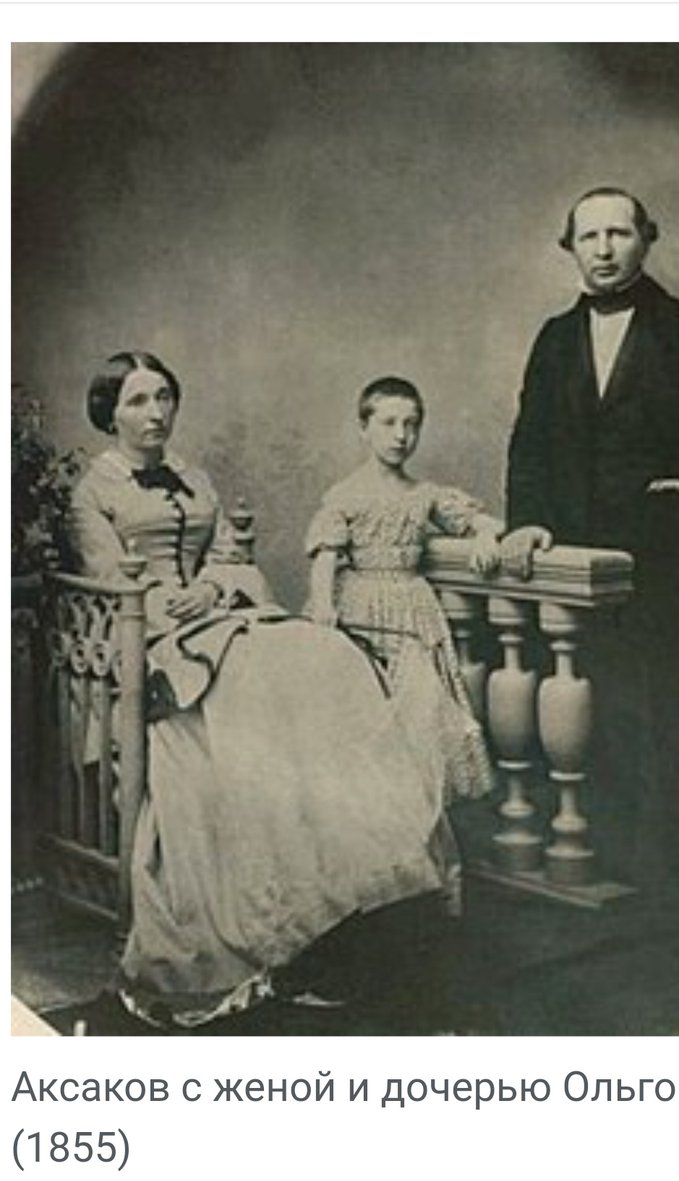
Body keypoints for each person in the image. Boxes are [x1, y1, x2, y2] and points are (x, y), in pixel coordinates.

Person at [69, 351, 457, 1027]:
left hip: (218, 616)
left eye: (164, 396)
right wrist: (173, 605)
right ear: (109, 413)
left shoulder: (194, 476)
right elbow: (106, 578)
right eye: (137, 401)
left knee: (323, 653)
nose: (156, 412)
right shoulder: (92, 491)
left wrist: (213, 590)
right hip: (146, 637)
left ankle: (351, 867)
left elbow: (229, 555)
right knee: (252, 685)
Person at [505, 187, 679, 891]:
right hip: (583, 563)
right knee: (594, 709)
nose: (603, 249)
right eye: (588, 236)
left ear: (646, 239)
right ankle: (611, 866)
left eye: (619, 233)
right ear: (570, 247)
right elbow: (529, 444)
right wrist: (526, 518)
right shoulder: (554, 339)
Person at [306, 375, 504, 803]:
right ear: (364, 428)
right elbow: (325, 553)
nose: (401, 435)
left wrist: (486, 536)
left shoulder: (424, 494)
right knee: (364, 708)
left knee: (420, 708)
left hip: (413, 611)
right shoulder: (346, 494)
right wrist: (322, 606)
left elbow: (478, 520)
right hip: (358, 607)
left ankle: (417, 807)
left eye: (411, 424)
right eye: (389, 423)